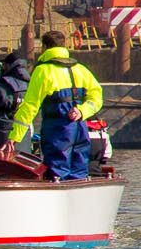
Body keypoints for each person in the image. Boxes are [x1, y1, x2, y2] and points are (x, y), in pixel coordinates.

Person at [6, 30, 105, 182]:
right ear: (63, 45)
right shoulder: (81, 69)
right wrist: (82, 111)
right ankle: (79, 199)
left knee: (57, 172)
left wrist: (14, 137)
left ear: (44, 47)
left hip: (57, 131)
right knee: (79, 169)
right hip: (79, 128)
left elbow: (30, 107)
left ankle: (59, 198)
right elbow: (96, 97)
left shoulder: (43, 71)